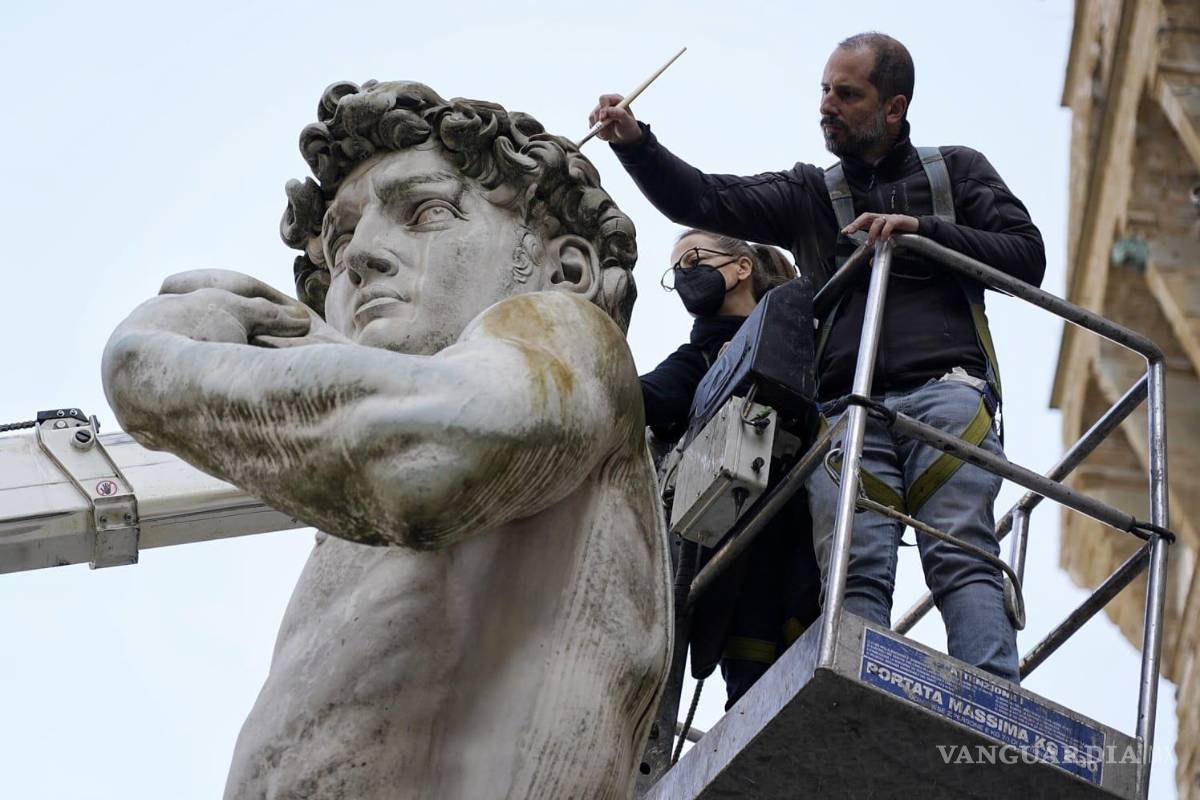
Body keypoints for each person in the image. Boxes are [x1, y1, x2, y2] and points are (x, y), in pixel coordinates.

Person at [102, 80, 670, 800]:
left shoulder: (565, 337)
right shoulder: (349, 516)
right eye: (339, 239)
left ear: (566, 267)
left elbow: (423, 461)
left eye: (425, 212)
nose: (361, 255)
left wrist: (153, 369)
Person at [589, 32, 1046, 684]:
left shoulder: (956, 173)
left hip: (945, 392)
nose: (827, 106)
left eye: (847, 94)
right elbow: (708, 199)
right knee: (854, 566)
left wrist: (924, 235)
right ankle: (859, 698)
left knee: (960, 550)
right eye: (824, 91)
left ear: (893, 108)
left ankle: (997, 701)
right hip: (847, 411)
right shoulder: (812, 195)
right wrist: (635, 144)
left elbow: (1026, 258)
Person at [641, 229, 821, 708]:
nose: (685, 275)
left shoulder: (805, 332)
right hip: (740, 560)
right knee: (755, 696)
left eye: (694, 259)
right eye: (676, 270)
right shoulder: (697, 361)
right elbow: (644, 397)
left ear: (742, 268)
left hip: (812, 536)